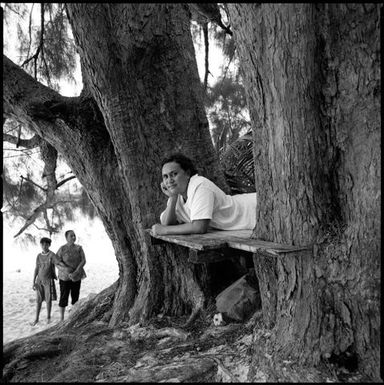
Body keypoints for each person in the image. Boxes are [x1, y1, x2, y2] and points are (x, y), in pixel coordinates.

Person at [151, 153, 257, 236]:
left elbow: (199, 227)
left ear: (187, 173)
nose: (169, 180)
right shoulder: (178, 194)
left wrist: (165, 230)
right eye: (165, 176)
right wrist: (173, 198)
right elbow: (166, 223)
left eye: (174, 174)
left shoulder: (199, 185)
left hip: (254, 210)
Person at [54, 230, 86, 321]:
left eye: (74, 235)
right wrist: (65, 270)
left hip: (76, 275)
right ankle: (61, 319)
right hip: (64, 277)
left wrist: (76, 271)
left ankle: (73, 316)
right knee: (64, 297)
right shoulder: (62, 249)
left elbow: (83, 261)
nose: (73, 237)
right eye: (71, 236)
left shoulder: (79, 248)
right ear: (66, 238)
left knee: (75, 297)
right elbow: (56, 262)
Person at [31, 237, 57, 326]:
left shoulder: (52, 255)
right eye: (43, 244)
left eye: (46, 244)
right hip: (39, 281)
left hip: (48, 280)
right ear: (41, 245)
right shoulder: (38, 256)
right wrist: (33, 281)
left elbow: (58, 263)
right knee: (38, 300)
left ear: (49, 245)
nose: (44, 246)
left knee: (48, 300)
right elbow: (36, 268)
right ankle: (36, 319)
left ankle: (48, 318)